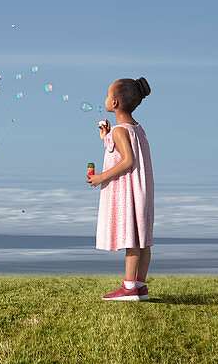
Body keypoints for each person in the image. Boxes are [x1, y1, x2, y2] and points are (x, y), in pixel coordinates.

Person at [87, 76, 154, 301]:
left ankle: (128, 288)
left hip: (129, 193)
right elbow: (119, 148)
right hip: (142, 190)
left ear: (115, 103)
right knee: (142, 239)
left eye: (108, 95)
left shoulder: (119, 130)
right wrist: (105, 138)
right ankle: (140, 286)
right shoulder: (136, 128)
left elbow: (127, 161)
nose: (105, 98)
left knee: (131, 240)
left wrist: (101, 177)